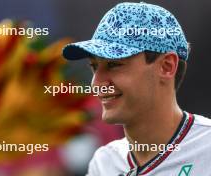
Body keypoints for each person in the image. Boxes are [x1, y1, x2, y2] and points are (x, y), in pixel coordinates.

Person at [62, 2, 211, 176]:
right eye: (94, 67)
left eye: (114, 64)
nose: (96, 83)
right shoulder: (103, 163)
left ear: (167, 66)